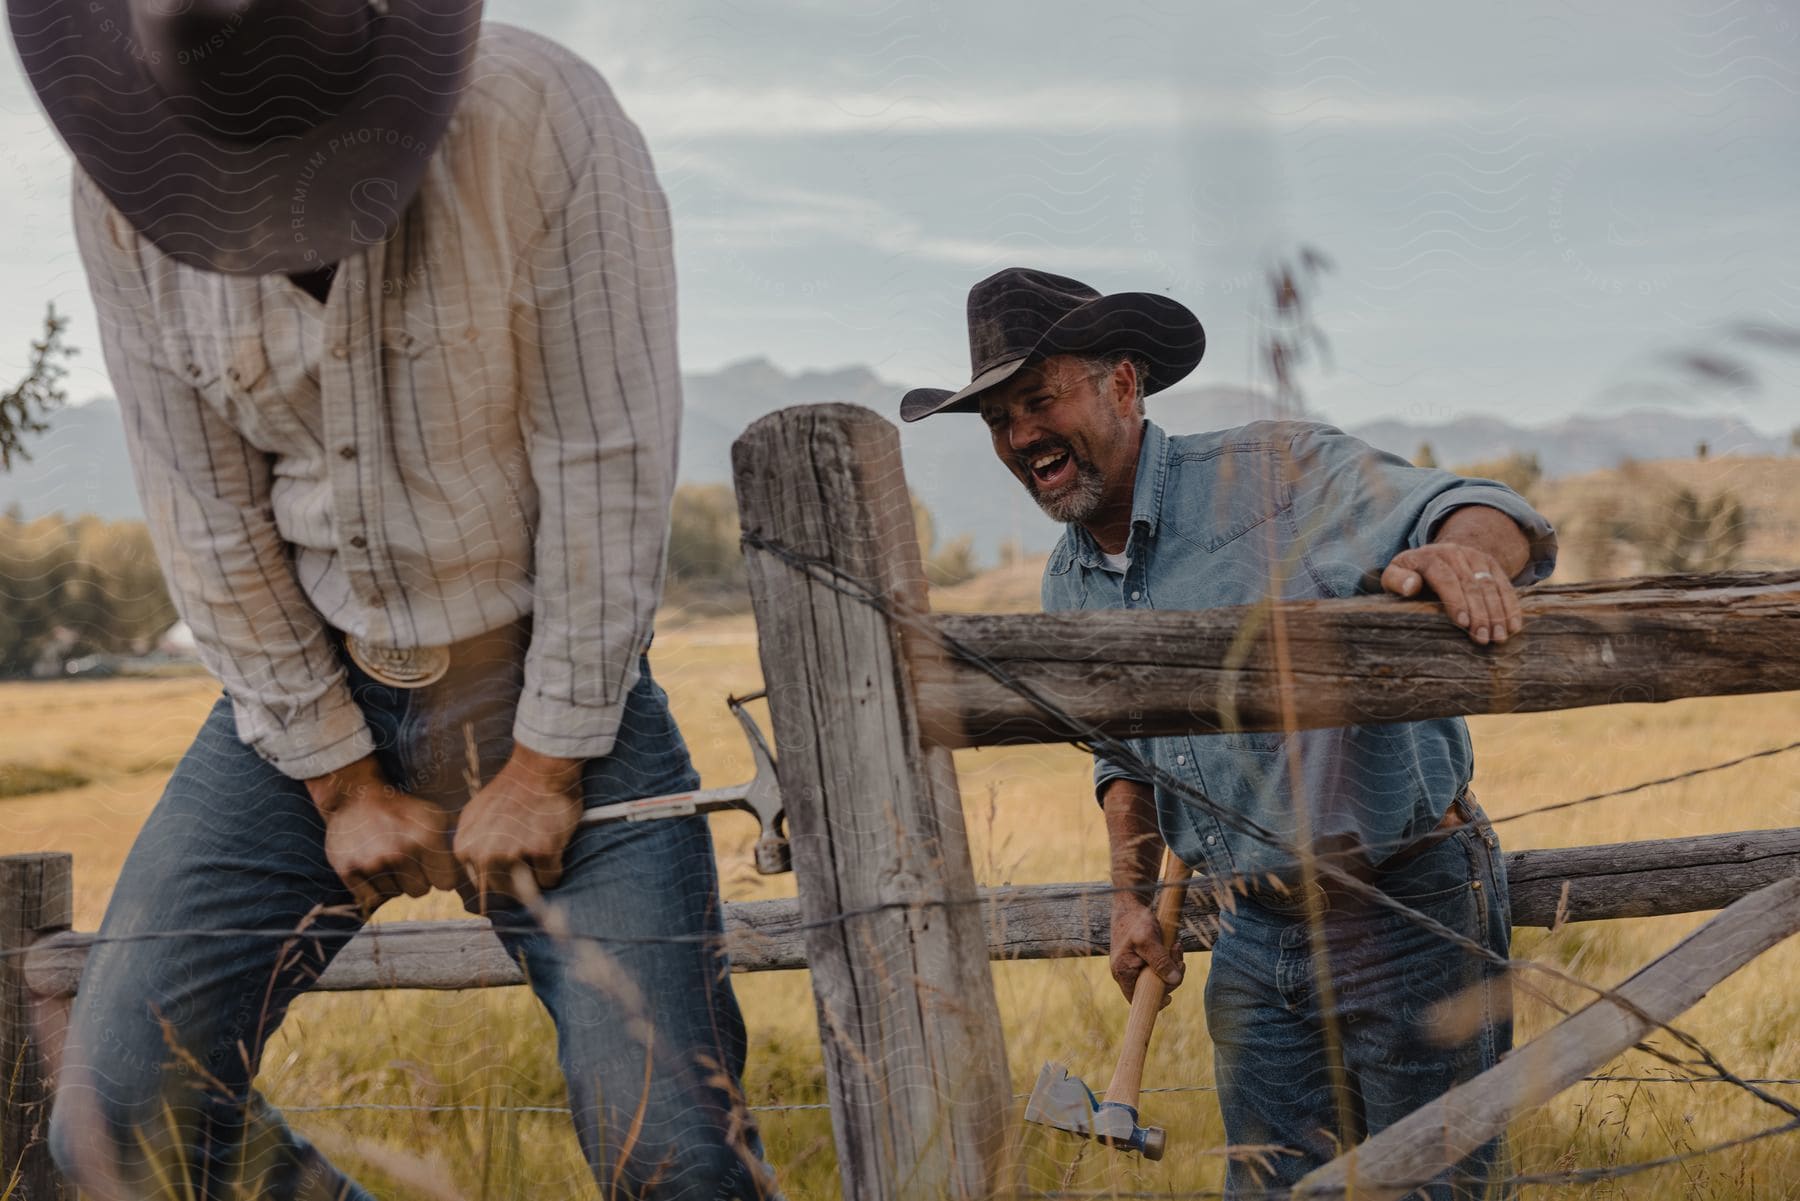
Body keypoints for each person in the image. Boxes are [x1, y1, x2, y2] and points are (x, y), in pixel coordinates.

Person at [13, 1, 778, 1197]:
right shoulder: (125, 194)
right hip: (304, 706)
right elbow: (202, 508)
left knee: (675, 1152)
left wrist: (548, 765)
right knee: (113, 1121)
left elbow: (606, 459)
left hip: (555, 687)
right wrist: (340, 778)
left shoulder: (539, 119)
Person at [902, 267, 1556, 1197]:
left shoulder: (1274, 478)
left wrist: (1466, 552)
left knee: (1429, 1186)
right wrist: (1131, 899)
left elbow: (1470, 503)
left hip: (1408, 905)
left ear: (1123, 384)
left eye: (1038, 401)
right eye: (999, 419)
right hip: (1254, 933)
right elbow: (1121, 754)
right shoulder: (1070, 582)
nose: (1020, 437)